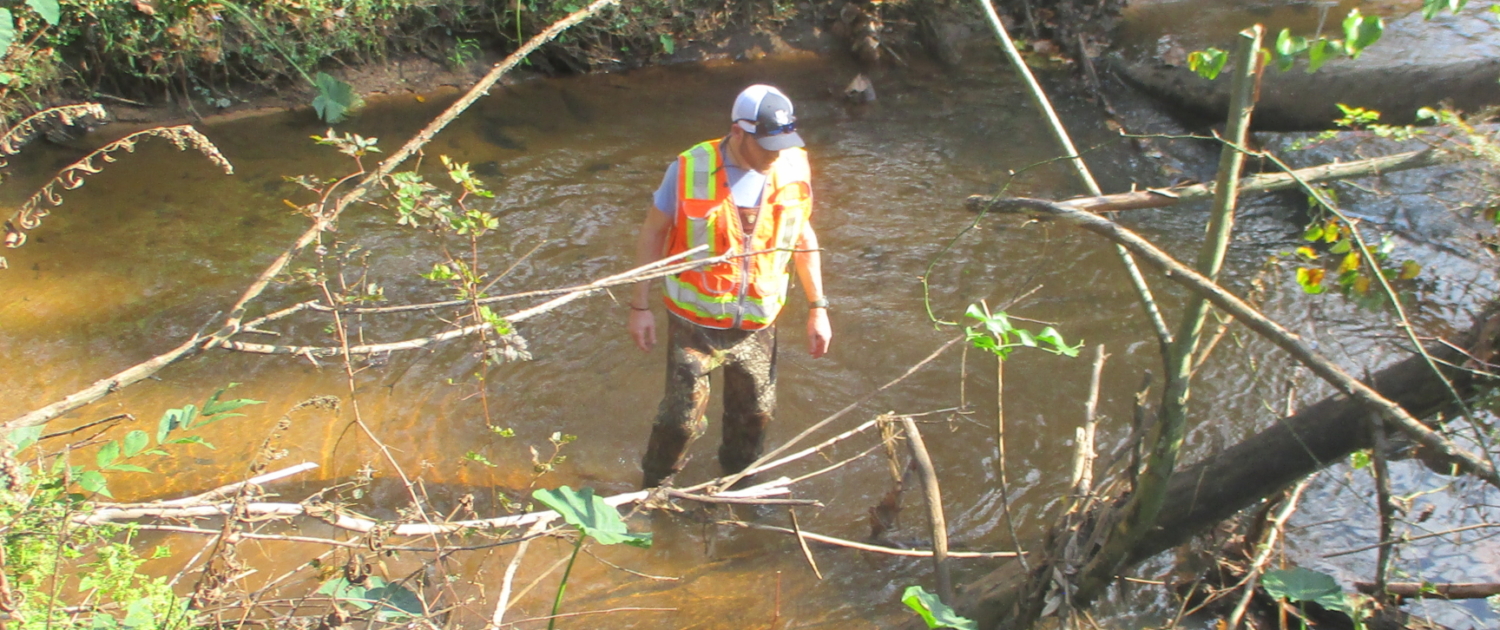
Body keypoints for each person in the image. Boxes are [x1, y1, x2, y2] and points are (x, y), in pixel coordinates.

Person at [627, 84, 832, 489]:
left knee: (756, 415)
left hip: (756, 324)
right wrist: (640, 306)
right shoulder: (689, 168)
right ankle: (653, 491)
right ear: (738, 133)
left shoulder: (791, 168)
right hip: (694, 324)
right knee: (681, 420)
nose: (777, 153)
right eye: (768, 144)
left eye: (784, 142)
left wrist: (818, 308)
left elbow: (802, 237)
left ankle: (735, 490)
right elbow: (653, 232)